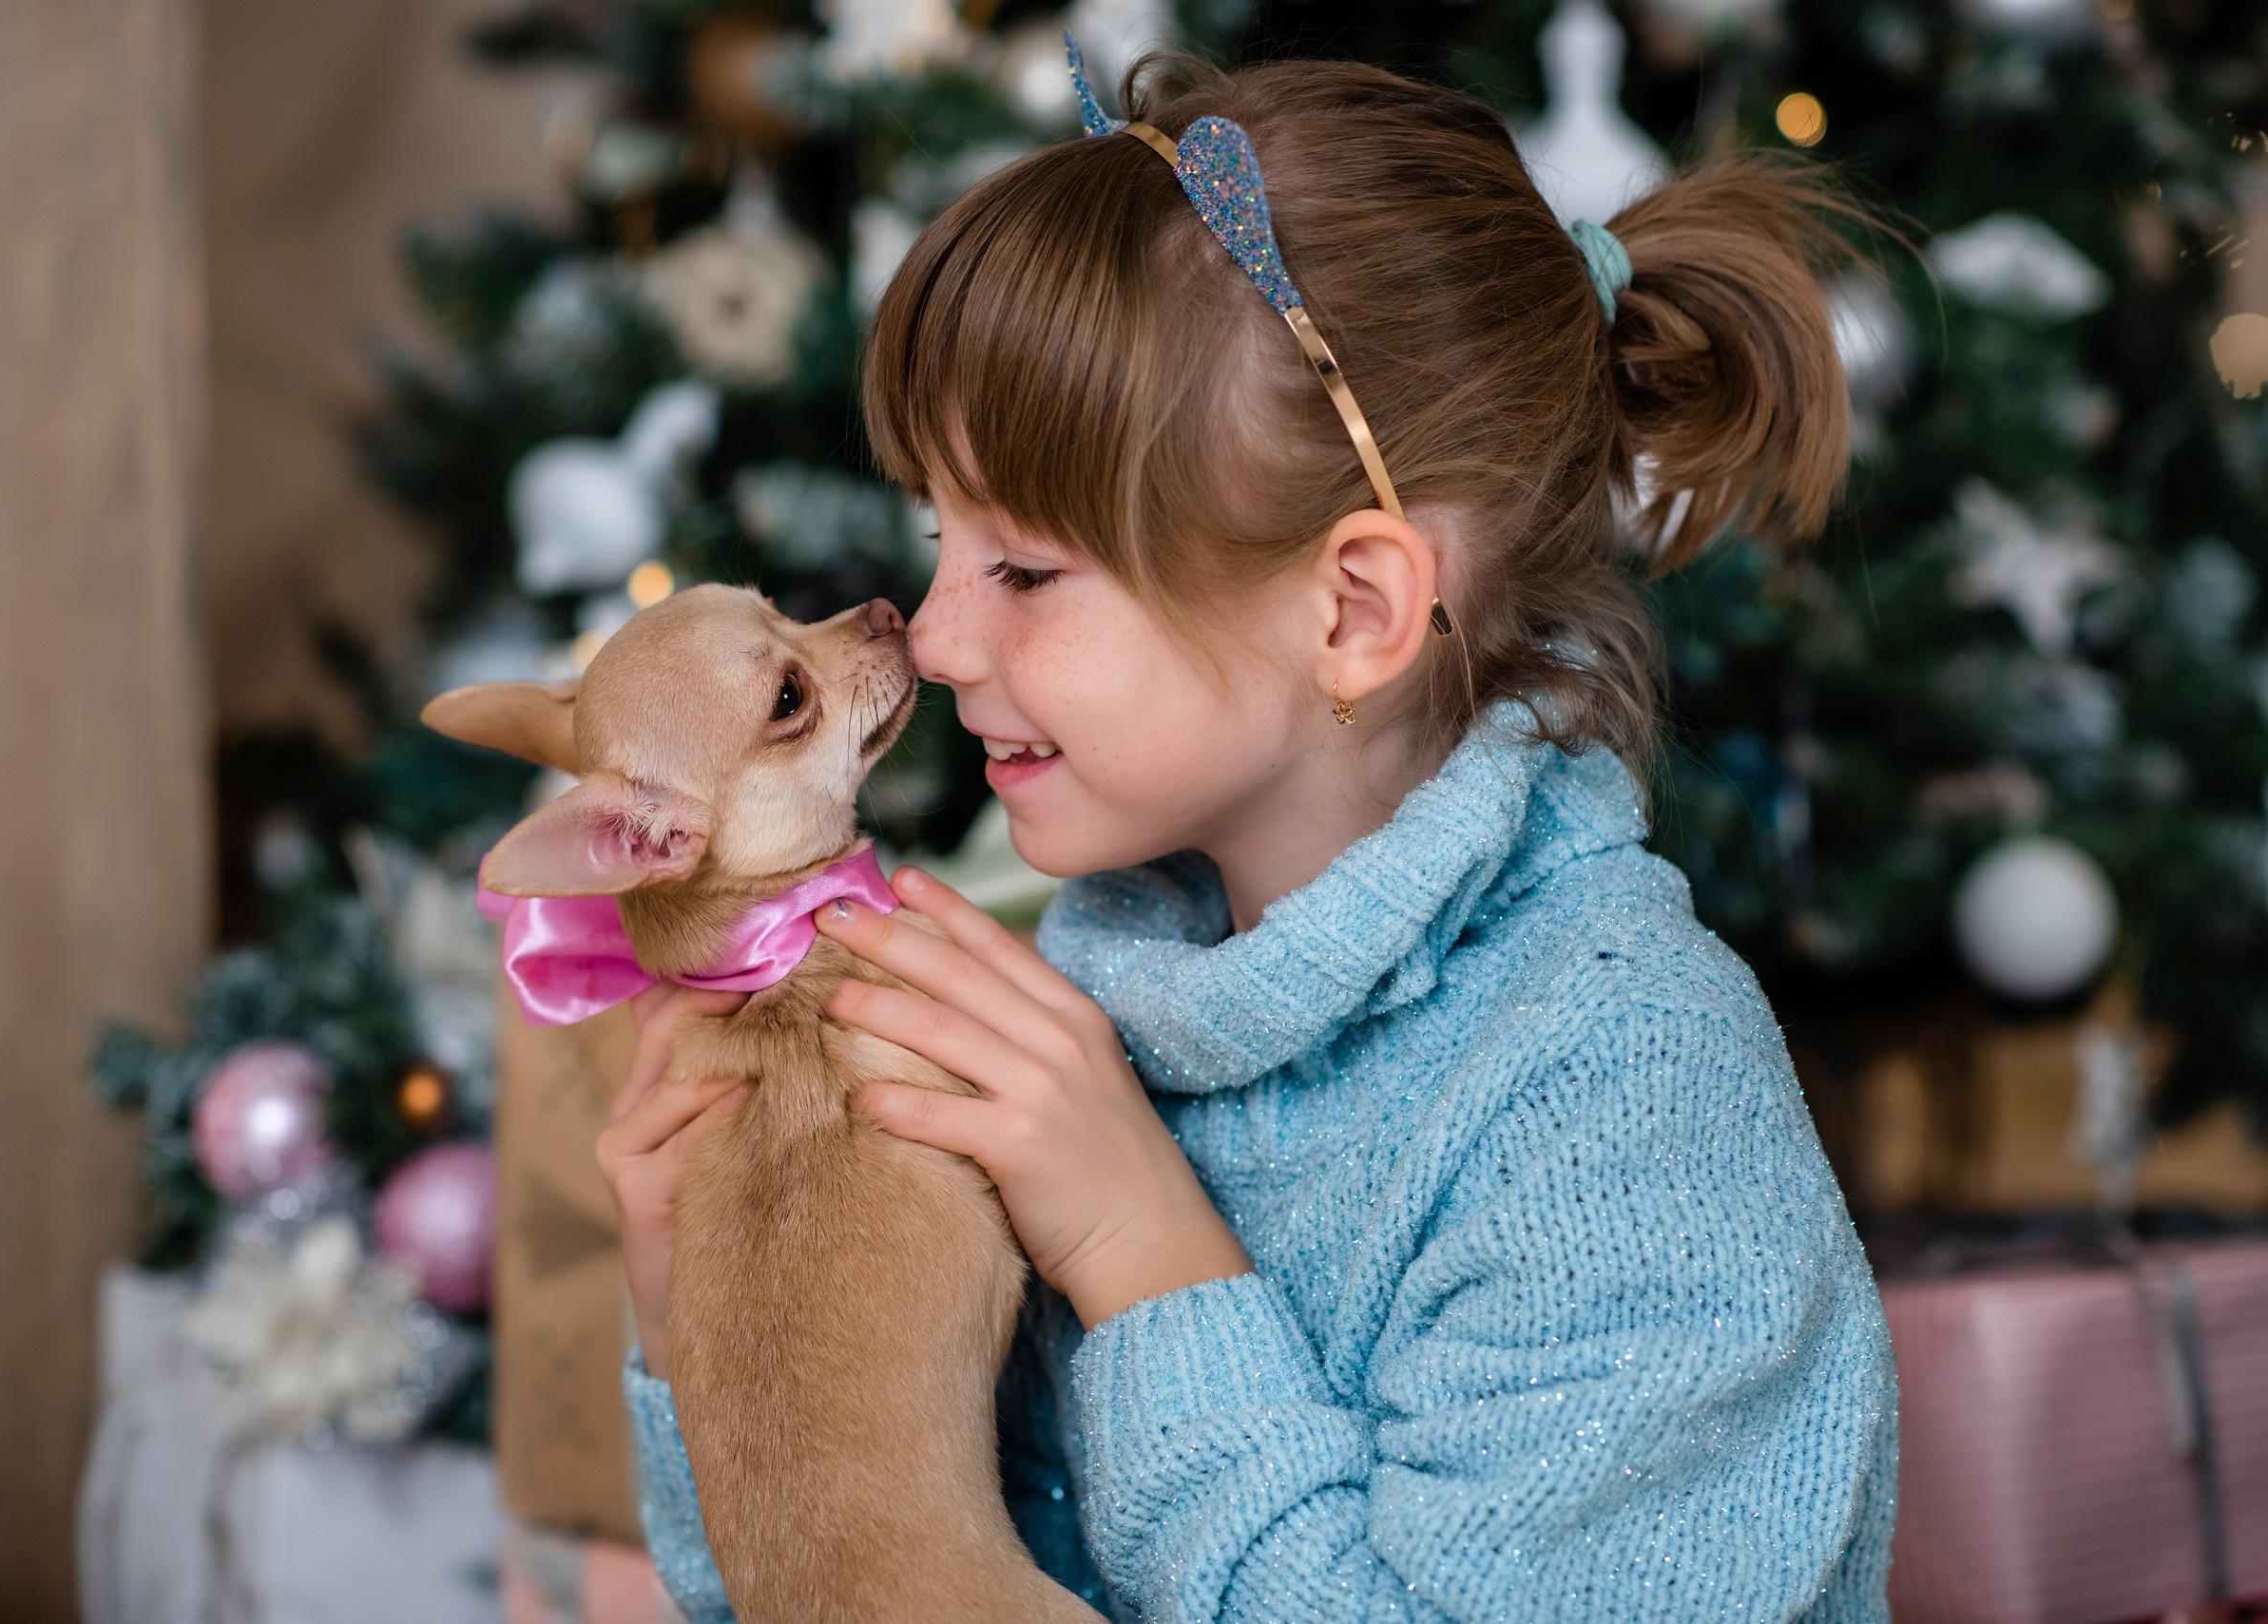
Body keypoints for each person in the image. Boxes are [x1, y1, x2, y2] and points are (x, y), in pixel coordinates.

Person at [598, 46, 1897, 1624]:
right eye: (945, 539)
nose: (929, 638)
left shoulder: (1623, 1103)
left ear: (1354, 608)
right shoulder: (1074, 1024)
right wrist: (709, 1341)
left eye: (1027, 572)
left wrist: (1141, 1249)